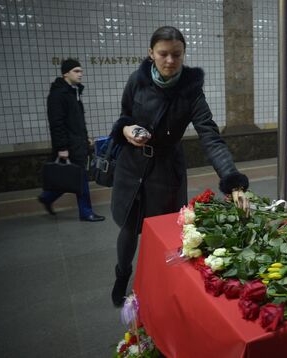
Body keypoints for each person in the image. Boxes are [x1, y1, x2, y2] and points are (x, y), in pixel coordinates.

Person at [110, 26, 250, 307]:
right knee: (127, 227)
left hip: (165, 171)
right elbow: (125, 116)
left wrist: (233, 182)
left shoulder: (191, 92)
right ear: (151, 54)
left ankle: (158, 284)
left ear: (183, 54)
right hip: (131, 167)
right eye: (163, 54)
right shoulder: (136, 80)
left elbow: (210, 136)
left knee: (163, 232)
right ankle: (122, 276)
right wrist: (126, 130)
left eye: (176, 54)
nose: (170, 61)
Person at [38, 59, 105, 222]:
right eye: (76, 71)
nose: (80, 74)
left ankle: (47, 197)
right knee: (79, 177)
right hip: (68, 145)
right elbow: (57, 123)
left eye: (81, 71)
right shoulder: (58, 95)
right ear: (65, 73)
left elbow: (77, 121)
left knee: (72, 177)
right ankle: (86, 212)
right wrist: (62, 147)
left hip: (77, 142)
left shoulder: (73, 92)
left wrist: (85, 136)